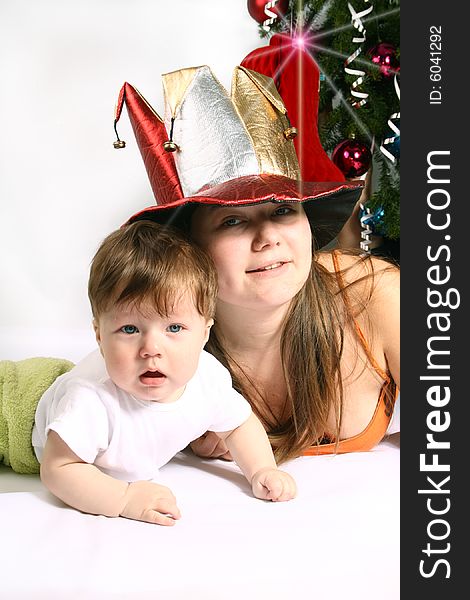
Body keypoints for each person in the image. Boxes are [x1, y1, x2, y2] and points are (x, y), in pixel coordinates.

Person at [112, 64, 400, 465]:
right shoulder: (153, 335)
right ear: (189, 246)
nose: (268, 238)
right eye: (232, 219)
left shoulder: (376, 295)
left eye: (283, 210)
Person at [32, 220, 297, 526]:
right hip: (24, 418)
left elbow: (238, 425)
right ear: (99, 335)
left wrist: (262, 468)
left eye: (174, 328)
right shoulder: (89, 398)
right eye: (130, 329)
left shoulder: (206, 378)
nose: (151, 348)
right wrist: (124, 498)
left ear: (204, 333)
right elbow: (58, 468)